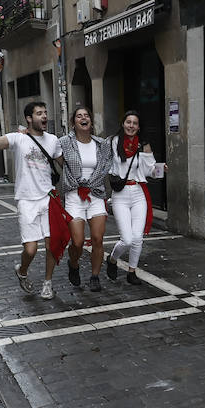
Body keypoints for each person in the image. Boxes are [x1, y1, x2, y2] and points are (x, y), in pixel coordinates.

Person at [0, 101, 63, 300]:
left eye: (45, 112)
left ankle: (47, 283)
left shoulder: (53, 140)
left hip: (48, 198)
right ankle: (22, 270)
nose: (44, 116)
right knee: (31, 249)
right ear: (29, 118)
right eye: (39, 113)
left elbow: (66, 162)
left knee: (52, 245)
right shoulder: (18, 138)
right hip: (26, 200)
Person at [56, 105, 112, 291]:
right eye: (79, 116)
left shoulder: (101, 143)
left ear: (90, 121)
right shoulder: (64, 142)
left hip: (95, 193)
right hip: (74, 195)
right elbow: (50, 151)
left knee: (97, 239)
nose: (83, 118)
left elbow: (104, 167)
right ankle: (73, 264)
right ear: (74, 122)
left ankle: (95, 276)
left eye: (86, 115)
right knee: (78, 241)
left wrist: (91, 182)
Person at [105, 111, 162, 286]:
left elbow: (150, 171)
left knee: (137, 238)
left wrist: (160, 169)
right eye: (128, 122)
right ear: (123, 124)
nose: (131, 126)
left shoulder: (143, 145)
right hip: (120, 195)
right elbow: (103, 162)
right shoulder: (112, 142)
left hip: (138, 193)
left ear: (138, 127)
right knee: (127, 239)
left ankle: (132, 271)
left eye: (135, 123)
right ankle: (112, 259)